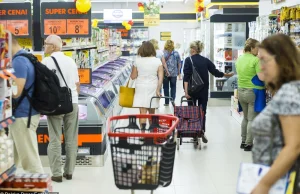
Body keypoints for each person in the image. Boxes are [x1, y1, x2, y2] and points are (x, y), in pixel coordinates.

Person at [251, 34, 300, 194]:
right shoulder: (289, 90)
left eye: (264, 60)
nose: (261, 66)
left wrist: (264, 185)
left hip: (282, 183)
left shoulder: (289, 92)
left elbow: (294, 145)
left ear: (281, 60)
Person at [42, 35, 80, 182]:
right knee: (71, 139)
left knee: (55, 139)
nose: (44, 46)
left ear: (53, 46)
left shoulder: (46, 62)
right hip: (72, 102)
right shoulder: (71, 61)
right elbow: (77, 85)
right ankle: (69, 172)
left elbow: (43, 86)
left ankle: (57, 173)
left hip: (54, 104)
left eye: (46, 44)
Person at [183, 41, 233, 143]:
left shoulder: (188, 60)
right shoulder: (205, 60)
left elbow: (186, 77)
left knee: (192, 111)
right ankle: (201, 131)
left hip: (192, 91)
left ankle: (194, 132)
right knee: (202, 112)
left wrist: (186, 92)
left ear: (193, 49)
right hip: (203, 91)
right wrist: (226, 75)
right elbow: (215, 72)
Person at [9, 35, 44, 173]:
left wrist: (4, 92)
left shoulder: (18, 61)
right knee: (10, 157)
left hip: (23, 116)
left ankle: (41, 189)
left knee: (30, 160)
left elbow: (17, 91)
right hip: (26, 113)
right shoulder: (27, 57)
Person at [236, 38, 264, 152]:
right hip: (253, 92)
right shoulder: (255, 60)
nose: (258, 50)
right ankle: (249, 144)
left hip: (241, 91)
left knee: (246, 118)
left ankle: (243, 141)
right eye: (257, 48)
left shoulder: (239, 59)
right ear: (252, 48)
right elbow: (261, 77)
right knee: (252, 119)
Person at [131, 41, 164, 129]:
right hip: (153, 86)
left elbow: (133, 76)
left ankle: (142, 134)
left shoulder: (137, 61)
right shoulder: (157, 61)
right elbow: (161, 78)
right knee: (152, 111)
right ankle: (152, 133)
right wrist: (158, 89)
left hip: (140, 87)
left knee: (142, 112)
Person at [163, 40, 181, 106]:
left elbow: (161, 63)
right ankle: (173, 100)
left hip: (165, 73)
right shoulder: (176, 53)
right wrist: (179, 73)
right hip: (174, 73)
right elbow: (179, 63)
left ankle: (166, 102)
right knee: (173, 87)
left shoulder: (163, 53)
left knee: (165, 87)